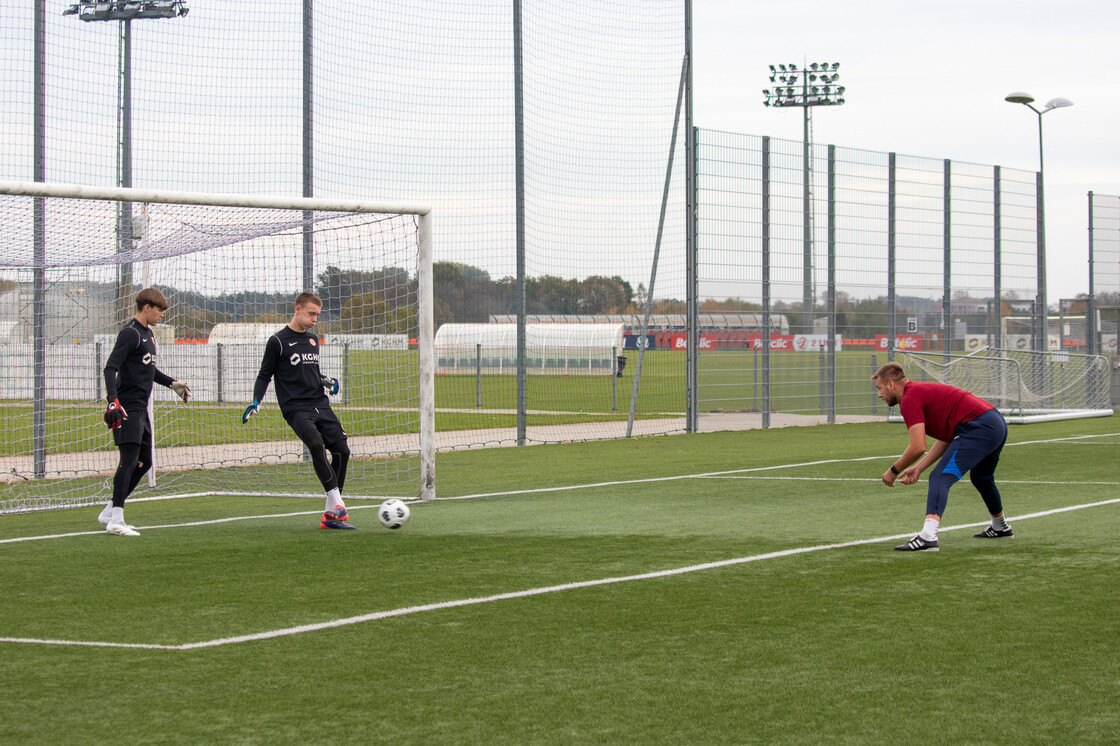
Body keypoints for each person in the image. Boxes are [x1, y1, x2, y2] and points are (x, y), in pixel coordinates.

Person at [872, 362, 1013, 552]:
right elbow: (948, 438)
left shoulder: (909, 398)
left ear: (891, 384)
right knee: (981, 478)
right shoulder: (918, 392)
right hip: (994, 423)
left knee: (940, 477)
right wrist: (919, 467)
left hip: (980, 427)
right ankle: (1000, 526)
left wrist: (893, 470)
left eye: (879, 388)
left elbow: (918, 447)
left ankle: (928, 537)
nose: (880, 395)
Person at [243, 291, 353, 529]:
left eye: (318, 315)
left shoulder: (313, 340)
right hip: (296, 407)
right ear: (298, 309)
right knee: (315, 443)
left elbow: (312, 371)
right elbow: (265, 374)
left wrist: (327, 381)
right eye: (311, 314)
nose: (315, 319)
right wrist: (256, 401)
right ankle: (337, 503)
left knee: (342, 451)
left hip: (320, 403)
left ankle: (331, 515)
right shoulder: (278, 341)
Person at [98, 288, 192, 537]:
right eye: (159, 310)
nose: (162, 314)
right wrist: (113, 401)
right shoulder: (130, 333)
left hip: (141, 408)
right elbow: (110, 368)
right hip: (127, 407)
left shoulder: (148, 334)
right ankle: (116, 520)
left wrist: (172, 383)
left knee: (145, 462)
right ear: (146, 307)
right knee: (128, 461)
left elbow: (149, 371)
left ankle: (110, 510)